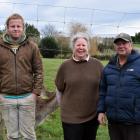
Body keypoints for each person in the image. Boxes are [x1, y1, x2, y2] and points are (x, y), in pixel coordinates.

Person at [0, 13, 43, 140]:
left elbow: (39, 71)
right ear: (7, 28)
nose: (16, 28)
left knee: (29, 135)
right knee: (12, 135)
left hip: (27, 98)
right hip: (6, 98)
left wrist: (35, 93)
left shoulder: (32, 46)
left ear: (23, 27)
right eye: (12, 26)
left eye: (19, 26)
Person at [55, 32, 103, 140]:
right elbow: (59, 89)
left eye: (83, 45)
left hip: (92, 116)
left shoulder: (98, 65)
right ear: (73, 47)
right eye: (78, 45)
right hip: (70, 118)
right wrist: (63, 108)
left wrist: (102, 110)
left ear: (88, 47)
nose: (81, 48)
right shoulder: (65, 66)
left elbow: (103, 89)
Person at [97, 33, 140, 140]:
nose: (121, 46)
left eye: (124, 43)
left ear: (131, 44)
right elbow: (103, 91)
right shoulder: (109, 67)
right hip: (114, 121)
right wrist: (101, 111)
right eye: (118, 44)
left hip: (134, 122)